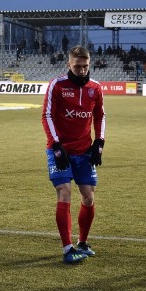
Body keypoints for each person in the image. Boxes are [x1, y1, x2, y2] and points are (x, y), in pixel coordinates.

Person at [42, 45, 105, 264]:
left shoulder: (95, 88)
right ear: (69, 64)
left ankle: (83, 242)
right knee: (65, 192)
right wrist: (56, 145)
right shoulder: (57, 86)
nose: (82, 70)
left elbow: (100, 116)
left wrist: (99, 142)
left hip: (84, 151)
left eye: (85, 66)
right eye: (77, 66)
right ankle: (67, 248)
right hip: (60, 150)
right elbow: (47, 116)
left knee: (88, 196)